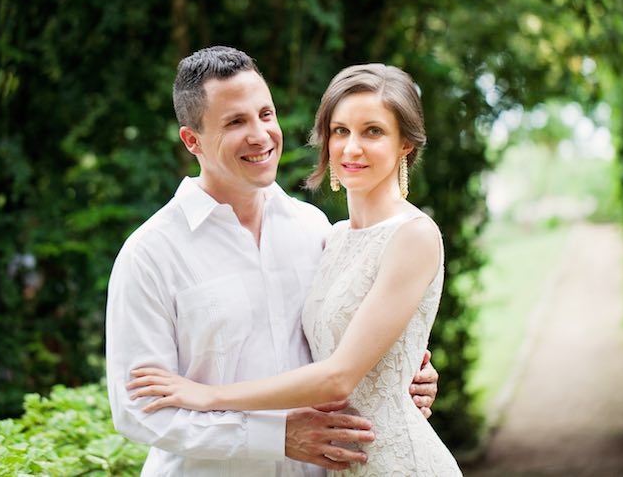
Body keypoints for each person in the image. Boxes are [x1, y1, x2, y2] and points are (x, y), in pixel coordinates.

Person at [105, 47, 439, 476]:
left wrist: (406, 372)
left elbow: (348, 345)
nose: (260, 135)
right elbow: (139, 411)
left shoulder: (314, 229)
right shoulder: (150, 254)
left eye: (265, 114)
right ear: (193, 141)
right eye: (235, 122)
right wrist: (274, 437)